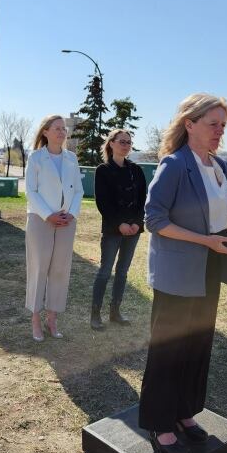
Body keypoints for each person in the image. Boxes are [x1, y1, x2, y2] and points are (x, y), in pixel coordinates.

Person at [137, 93, 227, 453]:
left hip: (209, 271)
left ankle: (184, 412)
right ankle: (160, 423)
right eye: (213, 124)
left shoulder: (219, 165)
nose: (220, 131)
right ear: (190, 124)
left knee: (196, 347)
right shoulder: (174, 165)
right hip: (176, 274)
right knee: (169, 351)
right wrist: (205, 240)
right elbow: (154, 219)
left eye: (224, 125)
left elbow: (210, 214)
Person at [24, 115, 84, 341]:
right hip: (41, 220)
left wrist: (72, 213)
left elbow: (78, 190)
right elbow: (31, 191)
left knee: (60, 270)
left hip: (67, 221)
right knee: (39, 268)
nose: (61, 132)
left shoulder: (71, 158)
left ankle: (52, 318)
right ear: (46, 132)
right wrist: (48, 215)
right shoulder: (36, 158)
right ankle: (36, 319)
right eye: (56, 128)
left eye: (63, 129)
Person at [90, 129, 147, 330]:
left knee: (122, 271)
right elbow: (103, 203)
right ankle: (95, 315)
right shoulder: (103, 170)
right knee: (105, 271)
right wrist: (119, 224)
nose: (126, 145)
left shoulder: (137, 171)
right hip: (113, 230)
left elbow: (142, 200)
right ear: (111, 143)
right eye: (122, 141)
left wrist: (136, 223)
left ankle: (115, 312)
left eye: (129, 142)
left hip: (133, 230)